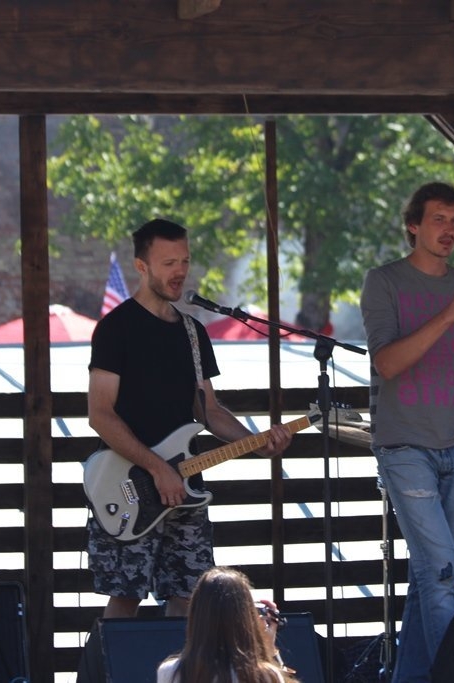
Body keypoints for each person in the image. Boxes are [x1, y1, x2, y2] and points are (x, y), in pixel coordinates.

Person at [86, 218, 292, 619]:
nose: (180, 271)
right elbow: (100, 415)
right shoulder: (116, 329)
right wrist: (156, 468)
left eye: (184, 261)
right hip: (128, 484)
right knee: (125, 596)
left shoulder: (193, 333)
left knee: (189, 596)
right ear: (142, 266)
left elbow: (209, 410)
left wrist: (257, 443)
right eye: (168, 263)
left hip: (186, 485)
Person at [360, 181, 454, 682]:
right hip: (404, 448)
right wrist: (448, 315)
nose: (449, 229)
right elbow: (387, 362)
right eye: (439, 219)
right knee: (441, 571)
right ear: (413, 225)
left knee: (430, 576)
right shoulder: (384, 281)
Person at [156, 566, 296, 683]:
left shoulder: (170, 672)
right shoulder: (266, 675)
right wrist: (269, 650)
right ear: (247, 618)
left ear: (195, 615)